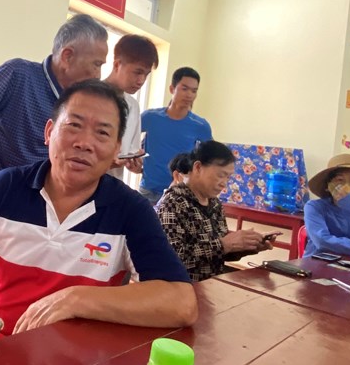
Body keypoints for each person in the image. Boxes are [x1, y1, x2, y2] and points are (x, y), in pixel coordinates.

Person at [0, 79, 197, 345]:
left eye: (102, 133)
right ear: (49, 132)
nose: (84, 143)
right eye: (74, 125)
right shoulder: (4, 189)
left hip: (70, 358)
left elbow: (181, 303)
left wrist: (76, 299)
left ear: (116, 151)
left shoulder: (130, 210)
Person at [0, 14, 109, 215]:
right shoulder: (18, 75)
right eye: (96, 64)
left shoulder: (77, 103)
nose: (98, 75)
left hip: (38, 216)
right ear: (67, 56)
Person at [155, 140, 273, 281]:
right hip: (181, 287)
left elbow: (219, 253)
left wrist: (248, 246)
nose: (224, 183)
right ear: (198, 167)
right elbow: (173, 258)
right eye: (221, 175)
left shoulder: (215, 204)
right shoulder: (173, 203)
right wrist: (225, 244)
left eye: (228, 177)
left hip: (211, 286)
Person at [139, 67, 212, 205]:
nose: (189, 95)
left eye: (194, 91)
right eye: (184, 89)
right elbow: (126, 136)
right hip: (148, 190)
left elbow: (209, 159)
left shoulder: (200, 125)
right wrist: (133, 159)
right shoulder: (150, 117)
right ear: (172, 89)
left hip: (180, 192)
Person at [103, 34, 159, 180]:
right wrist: (106, 163)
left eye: (146, 74)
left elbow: (130, 152)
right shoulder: (88, 97)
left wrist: (134, 164)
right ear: (117, 65)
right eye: (137, 72)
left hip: (112, 185)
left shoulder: (133, 106)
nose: (141, 80)